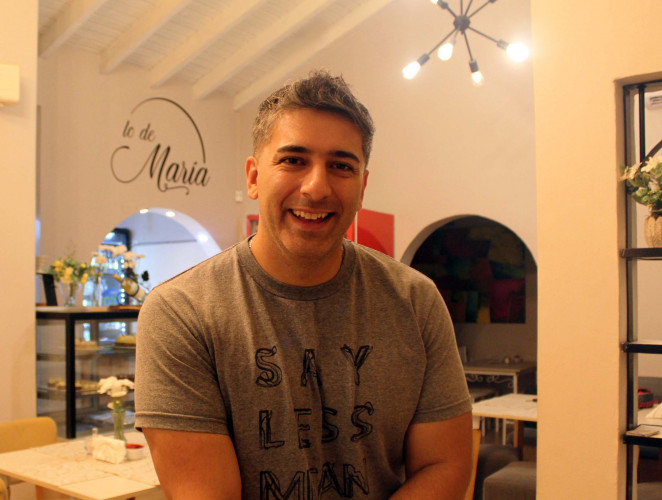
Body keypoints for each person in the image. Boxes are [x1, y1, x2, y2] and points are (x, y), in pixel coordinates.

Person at [135, 70, 473, 499]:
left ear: (362, 187)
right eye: (293, 160)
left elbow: (445, 465)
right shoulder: (182, 312)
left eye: (341, 166)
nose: (316, 187)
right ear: (253, 177)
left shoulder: (415, 300)